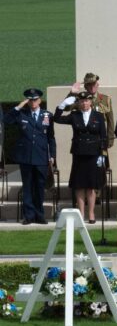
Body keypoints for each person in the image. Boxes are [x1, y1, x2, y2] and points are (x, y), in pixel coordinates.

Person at [54, 87, 107, 223]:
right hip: (79, 154)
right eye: (82, 101)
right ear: (78, 103)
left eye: (87, 101)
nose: (84, 103)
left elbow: (103, 137)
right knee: (79, 185)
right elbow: (57, 119)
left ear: (91, 102)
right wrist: (63, 104)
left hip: (93, 154)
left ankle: (91, 214)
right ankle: (81, 214)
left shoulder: (99, 116)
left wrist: (102, 155)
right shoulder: (74, 115)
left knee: (90, 185)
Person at [4, 87, 56, 224]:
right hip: (26, 157)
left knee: (39, 188)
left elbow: (51, 138)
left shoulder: (47, 115)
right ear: (27, 101)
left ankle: (39, 215)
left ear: (40, 100)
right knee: (27, 187)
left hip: (41, 156)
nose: (33, 102)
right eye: (30, 100)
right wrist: (19, 106)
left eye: (35, 100)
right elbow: (6, 120)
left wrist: (53, 155)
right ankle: (29, 216)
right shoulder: (21, 114)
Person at [82, 73, 115, 150]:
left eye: (94, 84)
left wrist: (110, 138)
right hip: (85, 137)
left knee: (101, 161)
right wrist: (71, 92)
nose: (92, 86)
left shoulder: (105, 99)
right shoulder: (80, 100)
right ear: (85, 87)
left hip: (100, 137)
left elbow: (110, 121)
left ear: (97, 84)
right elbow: (67, 108)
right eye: (89, 84)